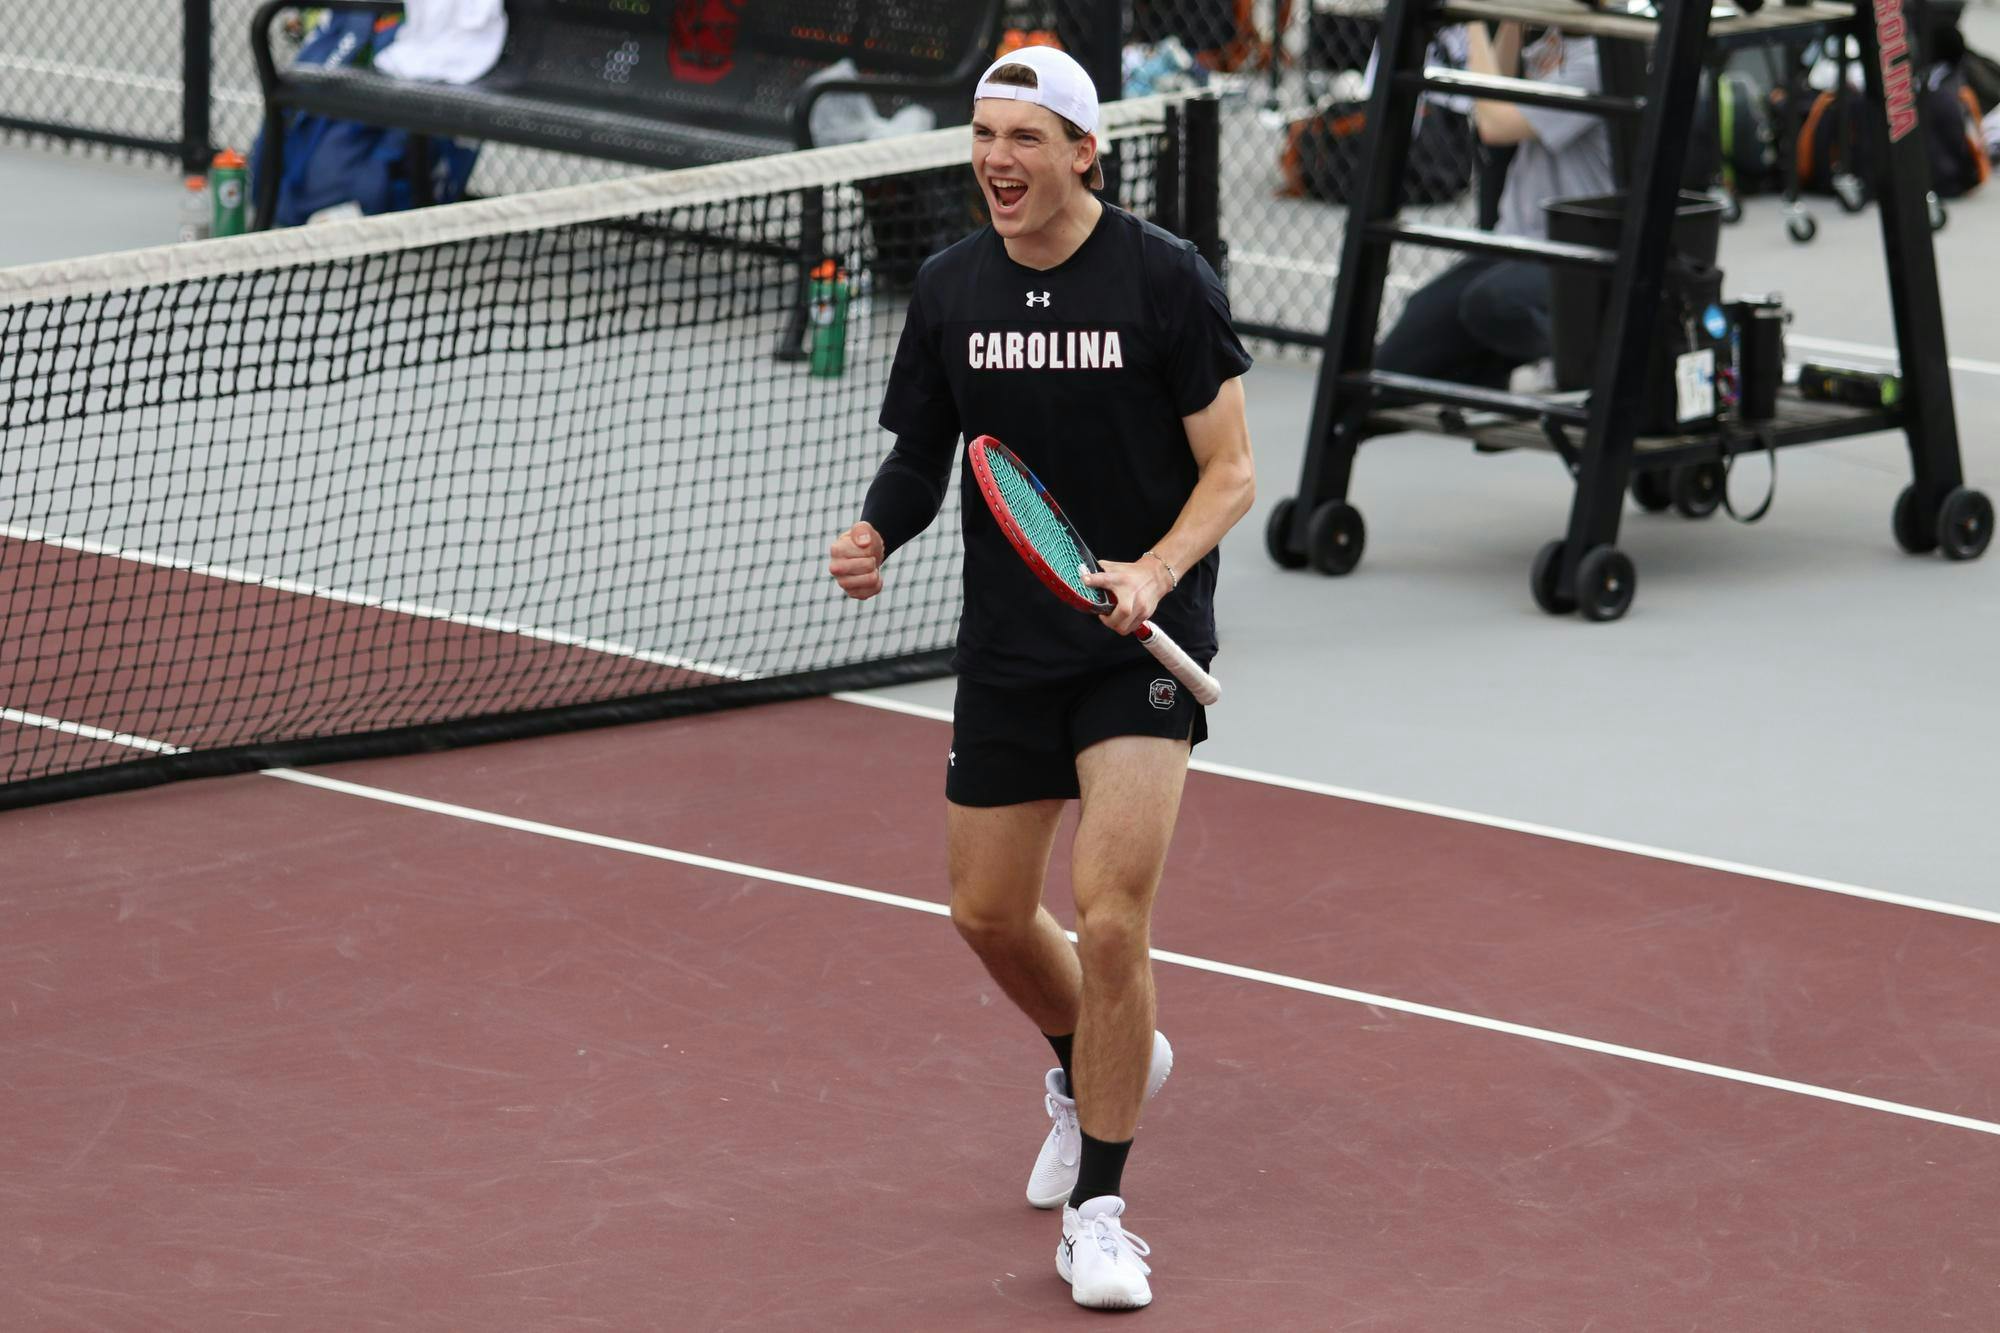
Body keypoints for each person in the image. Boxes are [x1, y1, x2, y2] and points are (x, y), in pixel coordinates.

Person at [825, 44, 1255, 1312]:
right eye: (983, 138)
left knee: (1111, 917)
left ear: (1083, 153)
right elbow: (923, 453)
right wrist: (873, 533)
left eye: (1024, 138)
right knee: (989, 914)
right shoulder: (952, 286)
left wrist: (1157, 568)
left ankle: (1101, 1212)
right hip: (1009, 648)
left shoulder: (1163, 281)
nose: (996, 162)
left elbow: (1229, 469)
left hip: (1135, 651)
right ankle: (1092, 1062)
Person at [1375, 22, 1615, 390]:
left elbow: (1495, 124)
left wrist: (1473, 22)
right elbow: (1499, 83)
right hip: (1517, 240)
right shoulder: (1557, 36)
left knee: (1494, 304)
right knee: (1395, 362)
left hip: (1573, 249)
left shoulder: (1604, 59)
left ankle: (1582, 368)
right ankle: (1499, 378)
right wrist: (1510, 18)